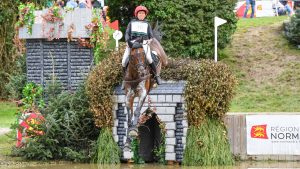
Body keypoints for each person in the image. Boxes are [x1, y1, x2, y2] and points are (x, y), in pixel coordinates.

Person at [121, 5, 162, 89]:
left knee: (149, 58)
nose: (141, 15)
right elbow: (127, 34)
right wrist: (127, 41)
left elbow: (151, 36)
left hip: (144, 43)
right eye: (140, 13)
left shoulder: (147, 24)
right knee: (124, 61)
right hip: (132, 43)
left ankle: (156, 76)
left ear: (145, 15)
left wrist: (149, 40)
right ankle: (124, 79)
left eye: (143, 13)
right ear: (137, 14)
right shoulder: (131, 23)